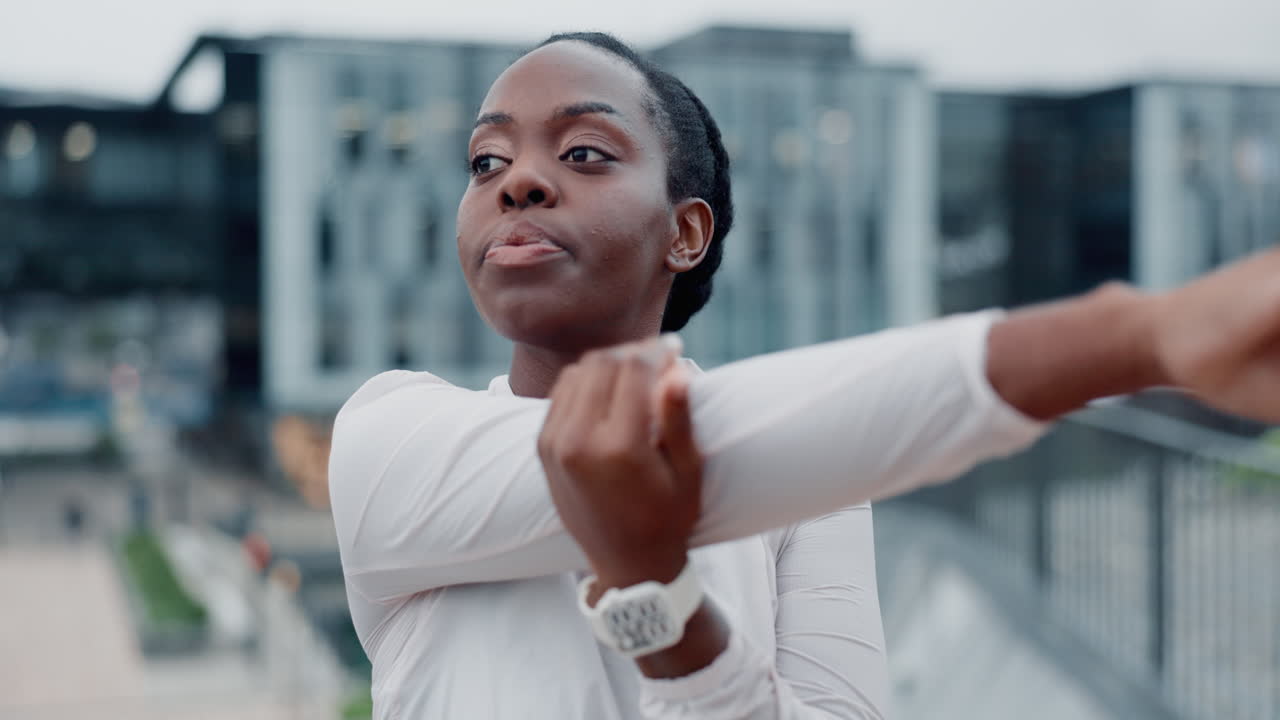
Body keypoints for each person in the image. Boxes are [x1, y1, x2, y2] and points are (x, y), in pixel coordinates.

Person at [328, 32, 1280, 720]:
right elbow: (703, 441)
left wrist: (657, 606)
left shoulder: (815, 501)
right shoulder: (388, 439)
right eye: (485, 158)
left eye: (583, 152)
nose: (518, 181)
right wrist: (1132, 338)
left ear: (686, 232)